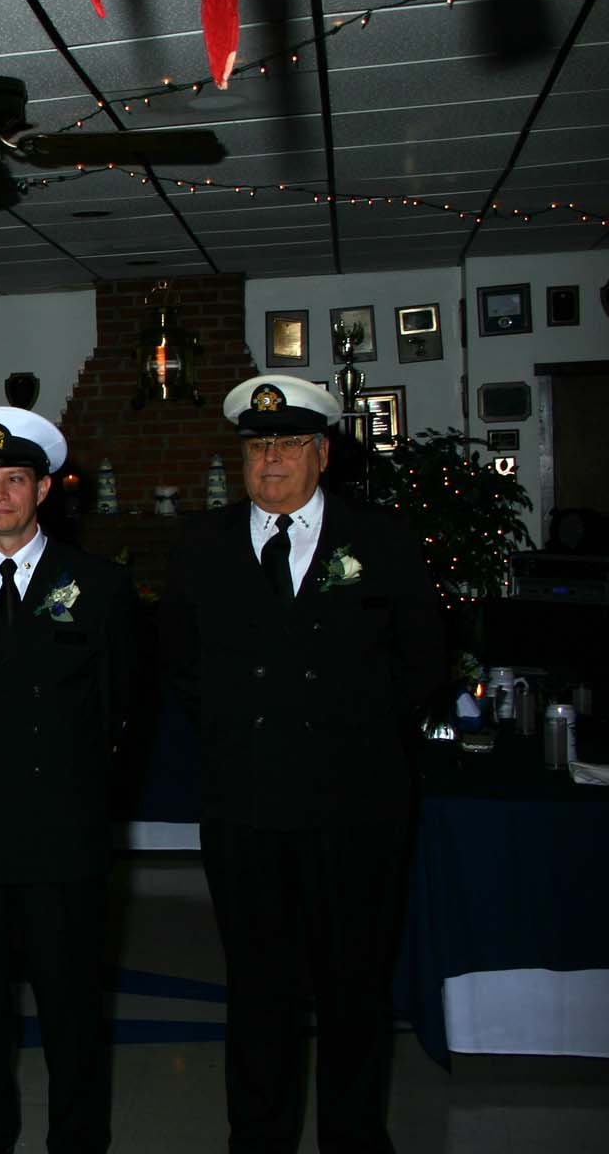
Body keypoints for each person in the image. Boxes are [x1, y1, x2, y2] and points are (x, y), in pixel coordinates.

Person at [162, 376, 444, 1153]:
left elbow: (423, 660)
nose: (272, 459)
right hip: (246, 807)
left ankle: (354, 1138)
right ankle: (259, 1138)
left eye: (288, 443)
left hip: (356, 806)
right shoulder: (203, 544)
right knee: (259, 990)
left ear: (322, 453)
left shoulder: (381, 539)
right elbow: (179, 664)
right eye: (258, 446)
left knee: (355, 987)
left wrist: (349, 731)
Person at [0, 408, 135, 1154]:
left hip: (62, 835)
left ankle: (77, 1142)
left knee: (73, 1011)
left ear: (43, 489)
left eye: (14, 479)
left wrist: (92, 807)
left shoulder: (97, 584)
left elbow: (122, 710)